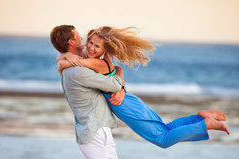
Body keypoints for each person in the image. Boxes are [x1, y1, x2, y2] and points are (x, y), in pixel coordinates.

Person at [57, 26, 229, 149]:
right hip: (128, 100)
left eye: (97, 46)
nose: (92, 48)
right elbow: (118, 68)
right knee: (164, 128)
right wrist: (65, 55)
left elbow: (72, 63)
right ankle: (199, 118)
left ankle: (205, 123)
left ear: (105, 49)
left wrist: (62, 63)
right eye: (91, 43)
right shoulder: (103, 61)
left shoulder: (95, 62)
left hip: (125, 105)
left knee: (163, 139)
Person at [50, 25, 128, 159]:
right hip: (95, 134)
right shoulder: (78, 70)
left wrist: (64, 56)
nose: (83, 38)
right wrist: (120, 76)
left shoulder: (72, 64)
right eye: (78, 36)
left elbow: (62, 58)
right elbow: (113, 83)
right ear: (71, 42)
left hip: (94, 133)